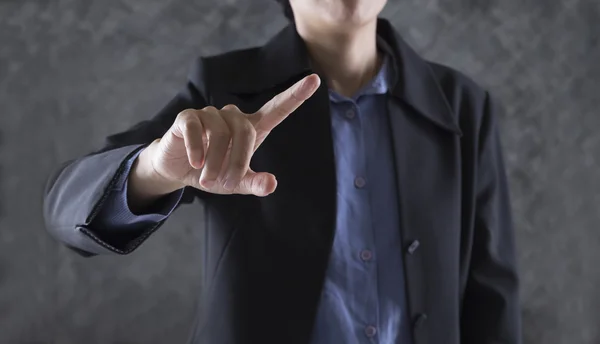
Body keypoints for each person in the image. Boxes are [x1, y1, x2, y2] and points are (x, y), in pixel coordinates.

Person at [43, 0, 522, 343]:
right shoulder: (226, 90)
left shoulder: (462, 106)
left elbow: (492, 296)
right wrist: (154, 167)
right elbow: (66, 208)